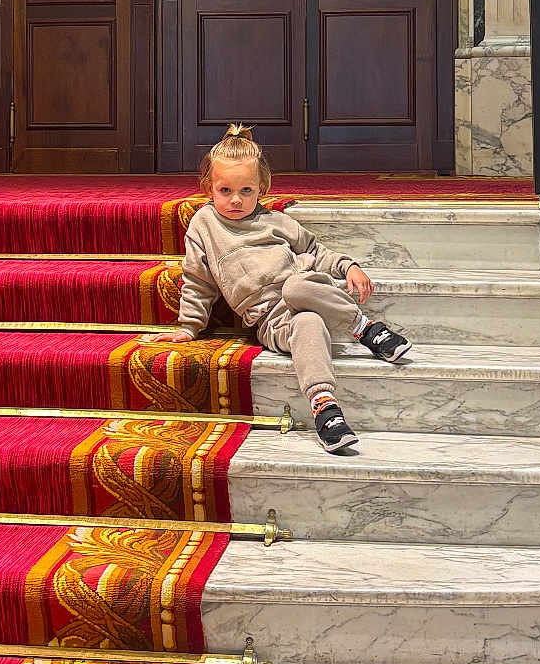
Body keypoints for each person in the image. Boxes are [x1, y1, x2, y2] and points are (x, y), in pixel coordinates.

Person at [161, 123, 410, 455]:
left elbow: (315, 251)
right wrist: (189, 327)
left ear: (262, 187)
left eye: (246, 191)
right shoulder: (204, 225)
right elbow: (197, 280)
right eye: (225, 191)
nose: (236, 200)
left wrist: (347, 266)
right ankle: (326, 409)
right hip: (272, 321)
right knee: (307, 324)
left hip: (307, 288)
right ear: (209, 188)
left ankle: (365, 329)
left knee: (296, 287)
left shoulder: (277, 221)